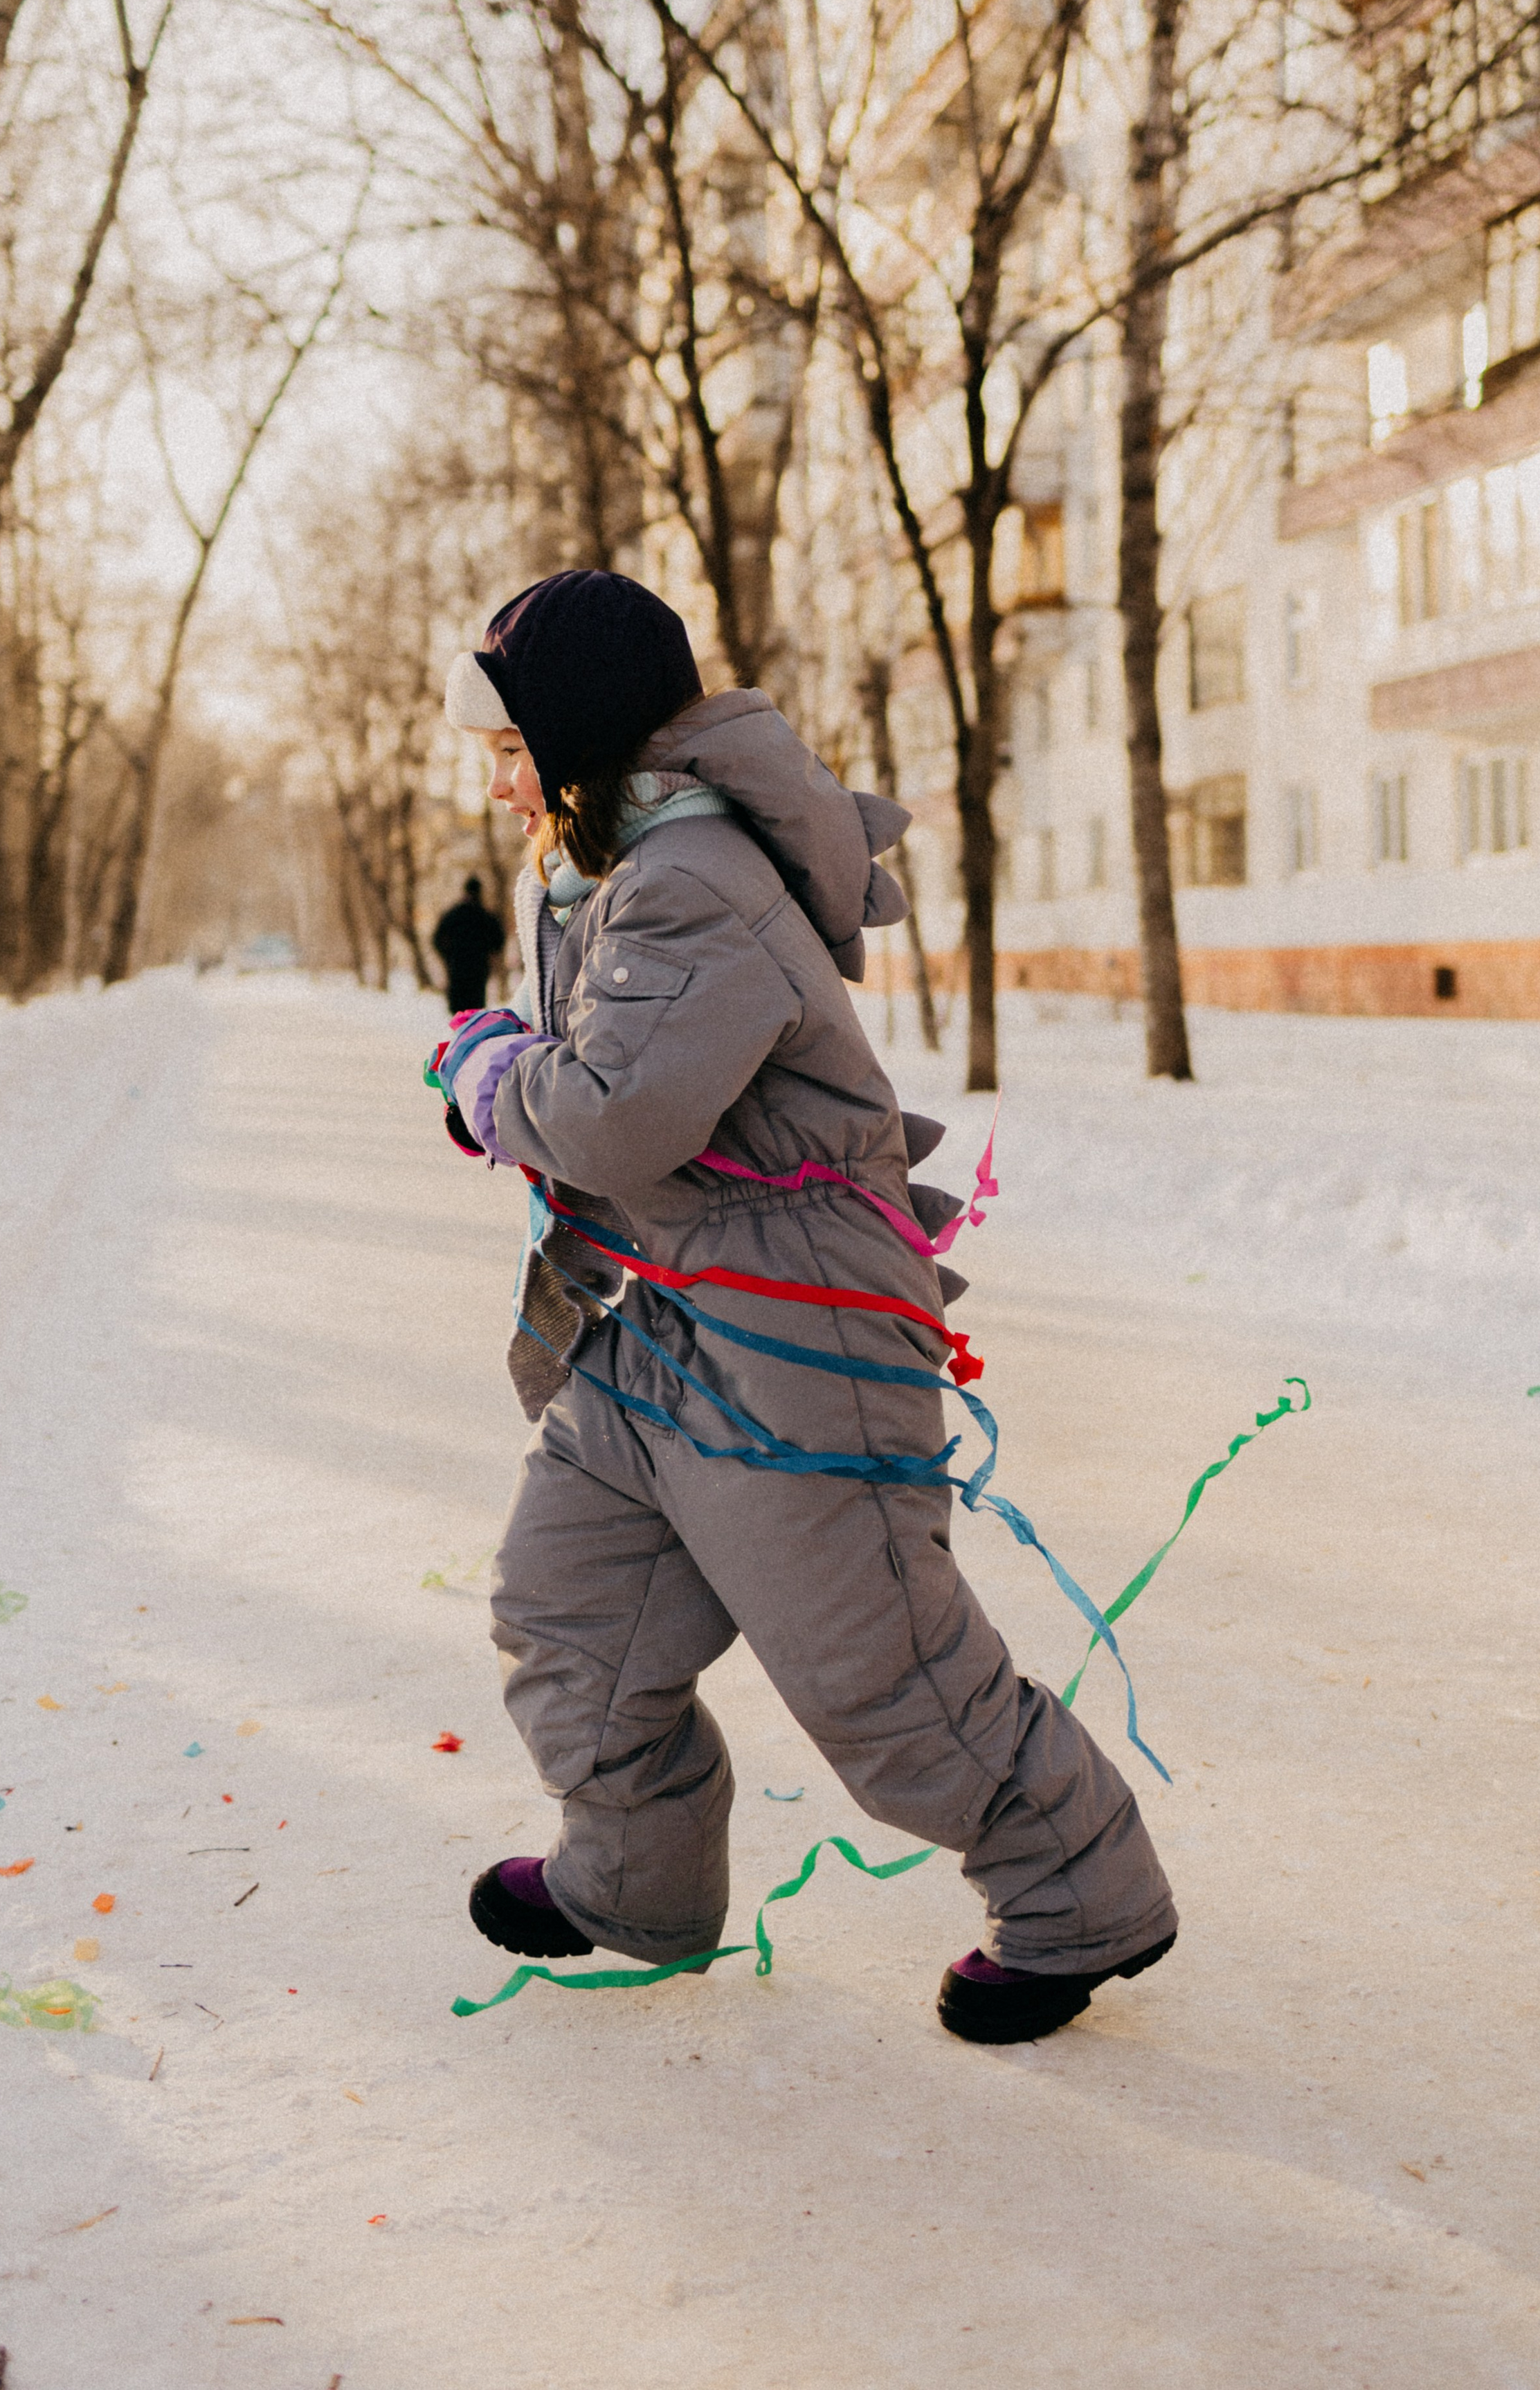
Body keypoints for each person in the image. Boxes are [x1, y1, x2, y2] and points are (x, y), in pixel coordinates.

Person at [431, 568, 1175, 2044]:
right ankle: (629, 1880)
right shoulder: (601, 869)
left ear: (576, 737)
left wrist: (479, 1073)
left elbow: (609, 1116)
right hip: (657, 1314)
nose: (497, 784)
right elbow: (593, 1100)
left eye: (511, 749)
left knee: (875, 1676)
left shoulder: (688, 876)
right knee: (569, 1605)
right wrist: (513, 1070)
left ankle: (1078, 1891)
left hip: (794, 1333)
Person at [431, 875, 505, 1016]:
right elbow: (499, 942)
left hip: (456, 969)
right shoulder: (486, 916)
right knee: (475, 1013)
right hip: (478, 971)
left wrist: (448, 956)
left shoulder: (453, 915)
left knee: (458, 1013)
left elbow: (437, 940)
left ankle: (460, 1035)